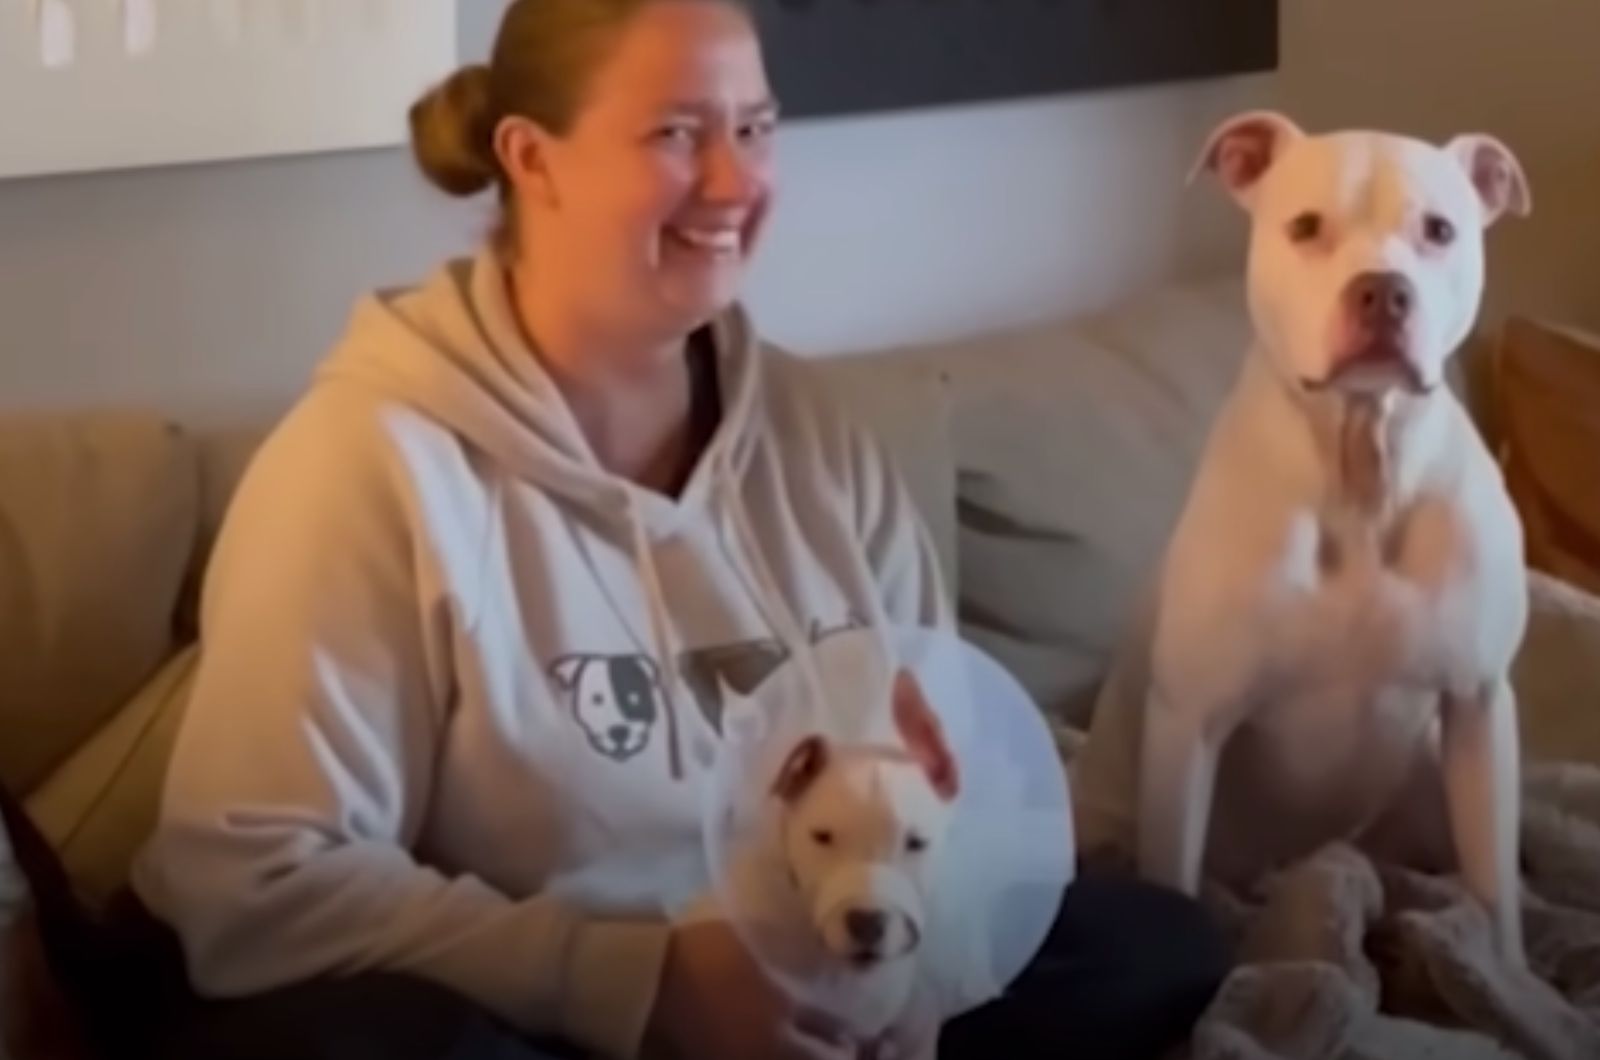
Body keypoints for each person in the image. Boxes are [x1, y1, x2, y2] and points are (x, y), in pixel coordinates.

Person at [126, 1, 1231, 1057]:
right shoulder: (367, 462)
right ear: (531, 158)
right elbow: (256, 882)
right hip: (537, 1003)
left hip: (824, 960)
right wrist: (640, 987)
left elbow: (949, 786)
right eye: (674, 132)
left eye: (753, 127)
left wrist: (923, 978)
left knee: (1155, 946)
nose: (733, 180)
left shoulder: (827, 439)